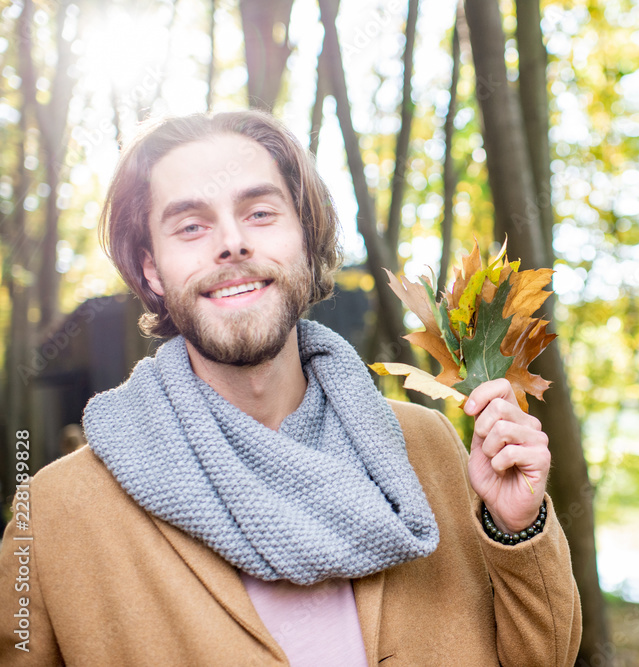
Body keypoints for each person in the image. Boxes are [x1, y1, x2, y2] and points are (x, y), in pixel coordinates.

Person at [0, 111, 582, 666]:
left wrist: (516, 529)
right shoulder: (54, 516)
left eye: (259, 213)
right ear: (151, 269)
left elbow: (542, 659)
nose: (231, 243)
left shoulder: (427, 449)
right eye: (192, 226)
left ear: (305, 238)